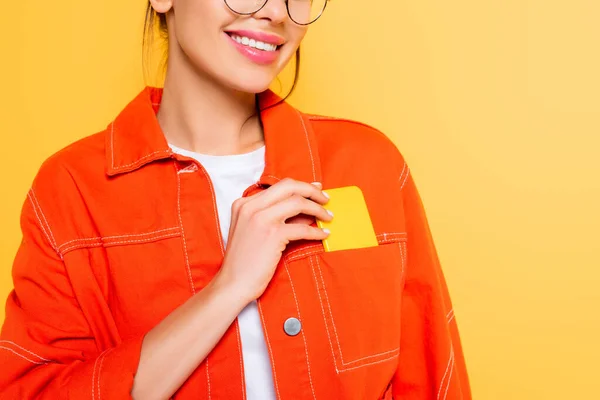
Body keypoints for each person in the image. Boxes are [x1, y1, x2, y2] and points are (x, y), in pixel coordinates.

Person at [0, 0, 471, 399]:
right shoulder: (73, 189)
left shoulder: (369, 167)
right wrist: (228, 289)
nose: (274, 12)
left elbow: (434, 377)